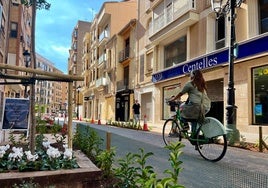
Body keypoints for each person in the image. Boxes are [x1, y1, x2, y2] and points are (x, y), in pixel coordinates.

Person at [170, 69, 209, 136]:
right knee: (194, 119)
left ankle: (186, 126)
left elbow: (181, 93)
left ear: (193, 75)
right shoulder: (202, 85)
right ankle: (195, 138)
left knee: (181, 109)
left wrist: (173, 99)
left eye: (191, 74)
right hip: (205, 107)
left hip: (195, 106)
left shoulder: (190, 84)